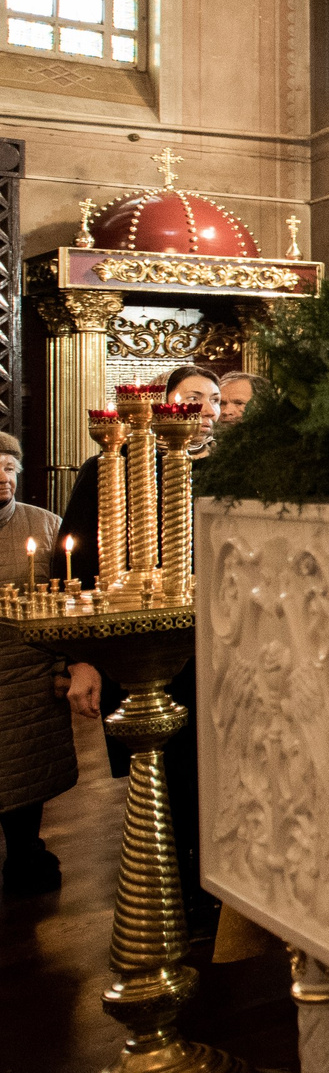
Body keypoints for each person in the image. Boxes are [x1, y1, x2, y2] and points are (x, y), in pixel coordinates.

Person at [53, 365, 223, 929]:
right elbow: (72, 566)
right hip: (146, 642)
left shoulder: (231, 470)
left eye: (216, 399)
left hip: (223, 645)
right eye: (194, 397)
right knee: (162, 768)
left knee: (219, 767)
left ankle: (219, 885)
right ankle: (167, 890)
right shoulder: (115, 467)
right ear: (166, 405)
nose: (207, 408)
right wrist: (80, 658)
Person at [0, 437, 70, 896]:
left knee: (24, 769)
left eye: (9, 466)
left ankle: (25, 854)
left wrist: (67, 665)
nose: (1, 477)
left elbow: (67, 602)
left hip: (25, 671)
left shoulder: (43, 526)